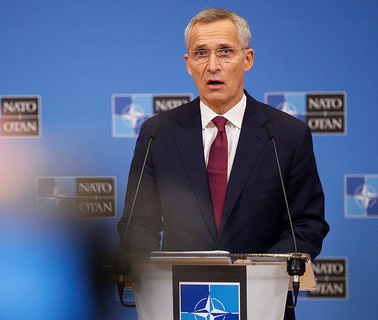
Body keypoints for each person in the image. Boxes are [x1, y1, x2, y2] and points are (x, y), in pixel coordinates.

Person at [117, 8, 330, 319]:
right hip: (179, 303)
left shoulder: (286, 135)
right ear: (188, 64)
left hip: (262, 303)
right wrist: (152, 272)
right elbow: (138, 223)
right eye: (201, 53)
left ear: (248, 59)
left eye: (225, 52)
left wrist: (259, 268)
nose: (212, 66)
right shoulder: (158, 133)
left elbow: (307, 224)